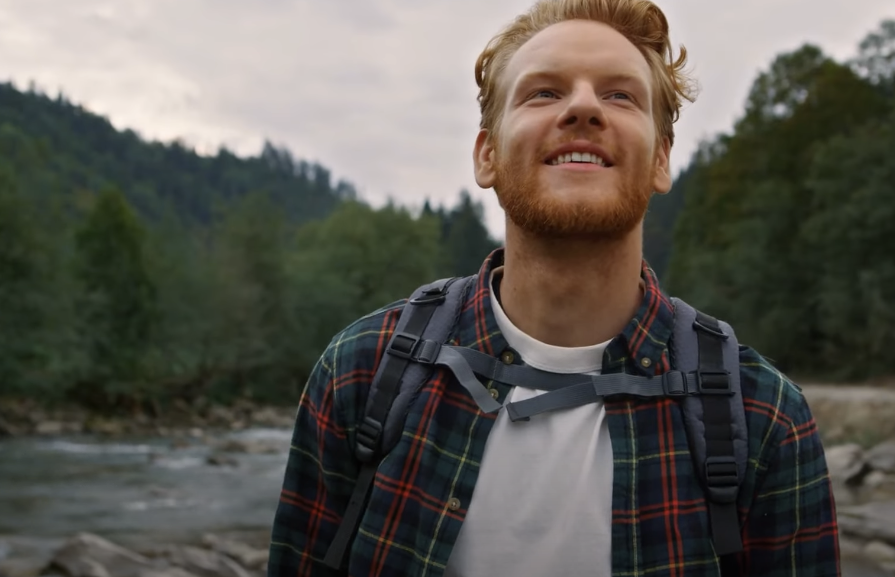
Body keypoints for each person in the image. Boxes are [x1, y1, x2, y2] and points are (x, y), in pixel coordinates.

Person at [267, 0, 840, 575]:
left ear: (662, 160)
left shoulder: (762, 414)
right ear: (487, 154)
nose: (585, 107)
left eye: (620, 95)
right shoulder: (363, 371)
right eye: (543, 92)